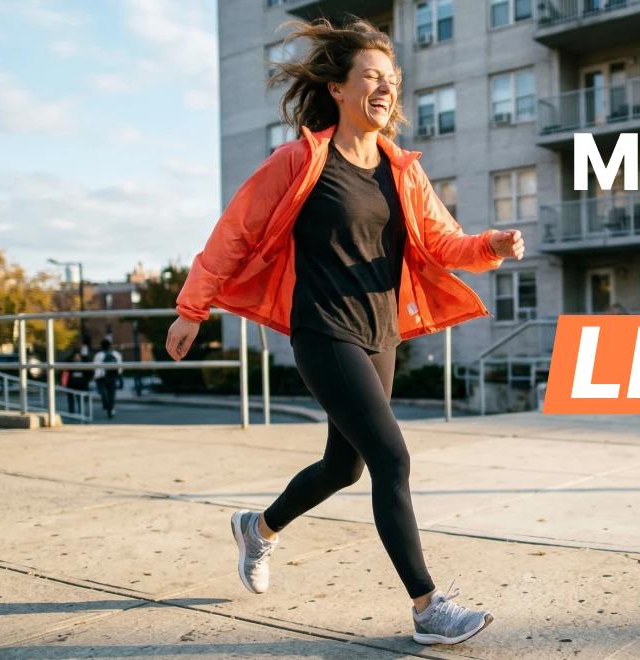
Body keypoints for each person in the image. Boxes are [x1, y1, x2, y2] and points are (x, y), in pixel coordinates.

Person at [164, 18, 522, 647]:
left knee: (345, 465)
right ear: (337, 87)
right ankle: (427, 607)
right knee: (392, 458)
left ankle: (259, 528)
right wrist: (191, 308)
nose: (386, 88)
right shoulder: (301, 159)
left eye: (393, 79)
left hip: (379, 331)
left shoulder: (400, 169)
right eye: (372, 76)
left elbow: (441, 241)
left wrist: (489, 244)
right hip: (322, 330)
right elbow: (235, 234)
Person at [92, 338, 124, 419]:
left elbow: (96, 367)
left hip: (102, 377)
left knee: (104, 393)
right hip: (112, 377)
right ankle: (111, 408)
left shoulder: (99, 355)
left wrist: (96, 378)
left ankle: (108, 407)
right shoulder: (116, 354)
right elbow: (120, 367)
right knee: (111, 395)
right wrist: (120, 378)